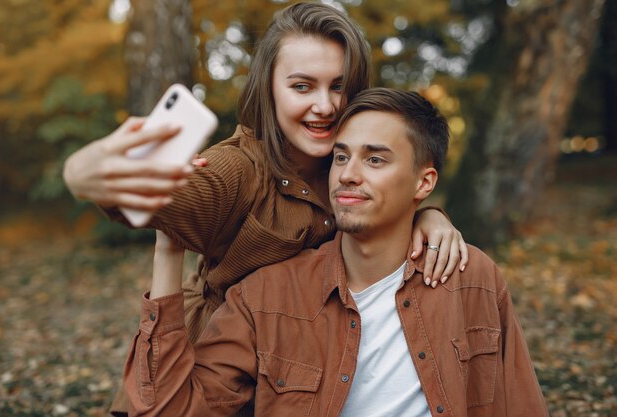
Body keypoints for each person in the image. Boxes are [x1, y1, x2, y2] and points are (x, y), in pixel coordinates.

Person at [63, 3, 468, 415]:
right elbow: (169, 196)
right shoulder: (239, 168)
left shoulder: (347, 168)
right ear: (270, 88)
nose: (325, 106)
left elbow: (395, 194)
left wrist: (428, 216)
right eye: (302, 87)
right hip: (213, 379)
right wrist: (88, 173)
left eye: (338, 86)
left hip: (312, 375)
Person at [126, 88, 548, 416]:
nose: (348, 174)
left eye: (375, 160)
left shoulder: (472, 278)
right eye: (341, 156)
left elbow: (520, 405)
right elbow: (170, 410)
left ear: (424, 183)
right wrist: (168, 248)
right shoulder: (265, 297)